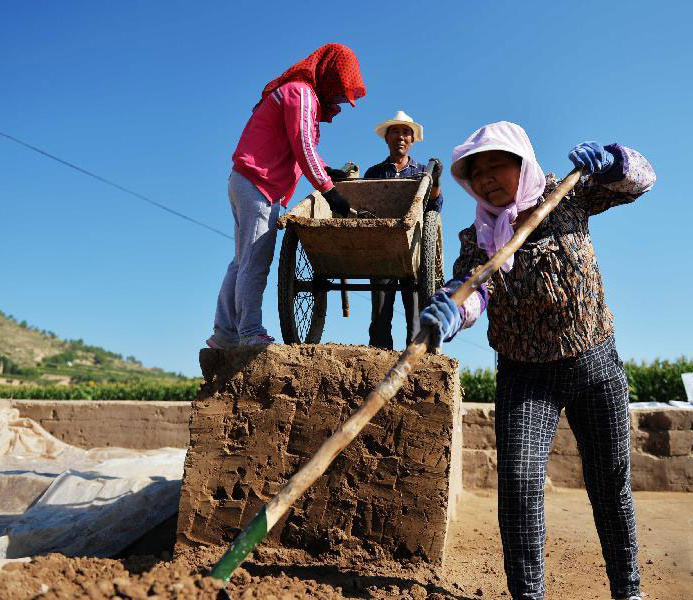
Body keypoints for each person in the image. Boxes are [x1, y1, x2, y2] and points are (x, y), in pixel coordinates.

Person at [420, 121, 655, 600]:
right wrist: (451, 310)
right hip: (526, 376)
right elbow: (473, 290)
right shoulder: (477, 238)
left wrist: (612, 162)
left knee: (611, 484)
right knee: (520, 485)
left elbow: (641, 181)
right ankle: (528, 595)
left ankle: (627, 591)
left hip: (595, 365)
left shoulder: (567, 194)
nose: (486, 178)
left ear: (522, 162)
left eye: (496, 165)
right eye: (475, 172)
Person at [207, 44, 365, 349]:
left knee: (242, 261)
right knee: (255, 262)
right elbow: (304, 148)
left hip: (247, 181)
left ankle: (225, 333)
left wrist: (329, 171)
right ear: (329, 77)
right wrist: (331, 193)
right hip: (259, 183)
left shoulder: (295, 93)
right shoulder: (302, 95)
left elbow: (299, 149)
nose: (338, 102)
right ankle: (249, 332)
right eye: (338, 92)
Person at [363, 110, 443, 350]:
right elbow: (365, 207)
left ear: (412, 139)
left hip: (415, 251)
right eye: (395, 132)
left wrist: (435, 180)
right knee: (379, 316)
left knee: (416, 317)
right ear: (386, 138)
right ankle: (378, 359)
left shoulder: (422, 173)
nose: (400, 137)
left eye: (406, 133)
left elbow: (435, 207)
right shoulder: (374, 173)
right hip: (383, 250)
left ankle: (414, 361)